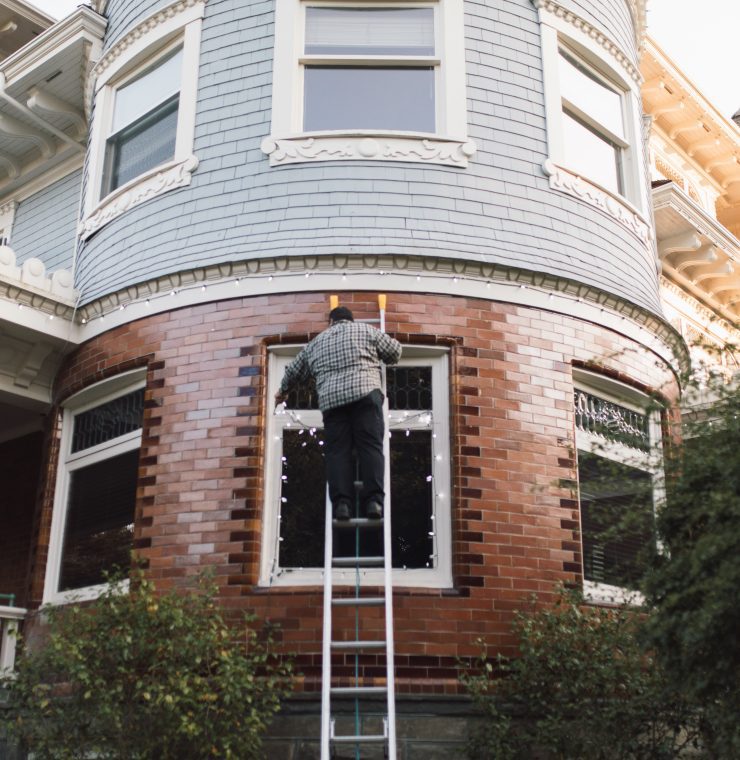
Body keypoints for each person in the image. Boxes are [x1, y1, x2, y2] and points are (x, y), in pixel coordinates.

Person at [275, 306, 402, 521]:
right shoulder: (366, 330)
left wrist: (282, 392)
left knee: (337, 452)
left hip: (332, 402)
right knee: (370, 447)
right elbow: (395, 352)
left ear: (331, 322)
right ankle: (374, 502)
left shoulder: (315, 343)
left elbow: (293, 371)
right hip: (365, 394)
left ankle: (342, 504)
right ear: (350, 320)